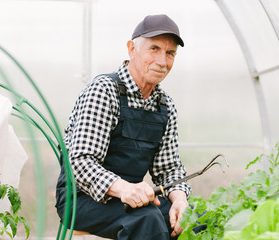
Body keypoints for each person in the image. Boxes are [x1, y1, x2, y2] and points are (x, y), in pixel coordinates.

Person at [55, 14, 191, 240]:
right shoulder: (104, 91)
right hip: (82, 200)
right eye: (154, 49)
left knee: (196, 221)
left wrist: (180, 200)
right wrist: (125, 189)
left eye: (170, 53)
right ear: (132, 49)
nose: (162, 61)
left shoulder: (165, 106)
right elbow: (80, 162)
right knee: (148, 219)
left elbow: (169, 169)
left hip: (132, 200)